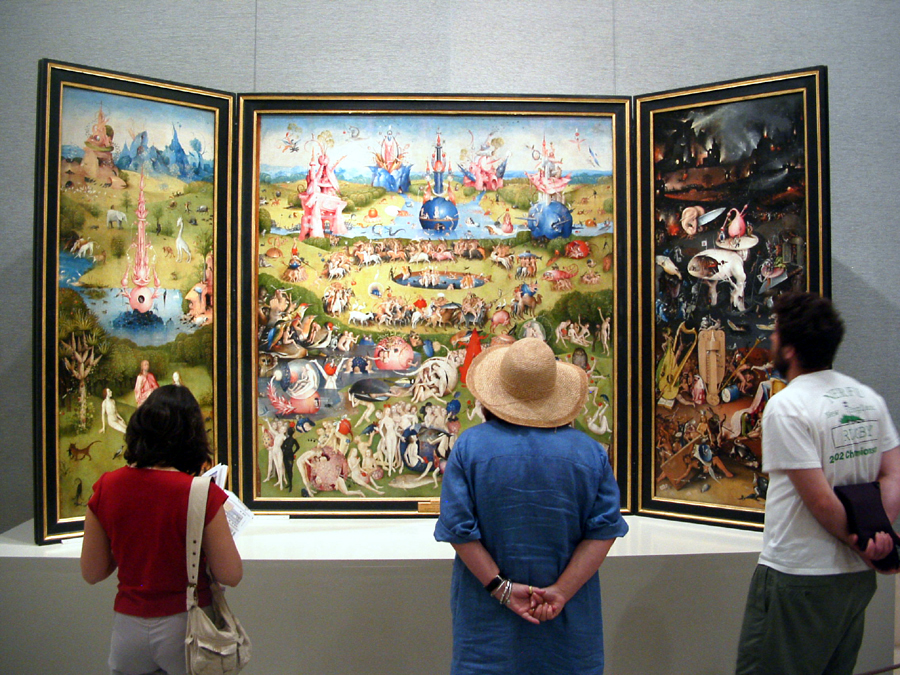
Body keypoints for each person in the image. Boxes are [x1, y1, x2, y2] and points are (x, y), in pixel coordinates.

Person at [434, 337, 628, 675]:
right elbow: (603, 532)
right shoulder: (590, 453)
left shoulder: (470, 448)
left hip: (487, 629)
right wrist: (560, 593)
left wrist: (503, 590)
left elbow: (458, 530)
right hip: (567, 626)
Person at [735, 292, 900, 675]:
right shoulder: (868, 399)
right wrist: (876, 538)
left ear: (790, 349)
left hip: (799, 574)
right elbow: (893, 474)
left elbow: (820, 501)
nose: (771, 339)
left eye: (776, 333)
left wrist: (862, 543)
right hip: (855, 579)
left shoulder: (787, 406)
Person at [81, 384, 242, 675]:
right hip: (187, 625)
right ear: (192, 437)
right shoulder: (201, 493)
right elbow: (231, 574)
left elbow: (92, 572)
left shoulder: (106, 487)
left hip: (128, 626)